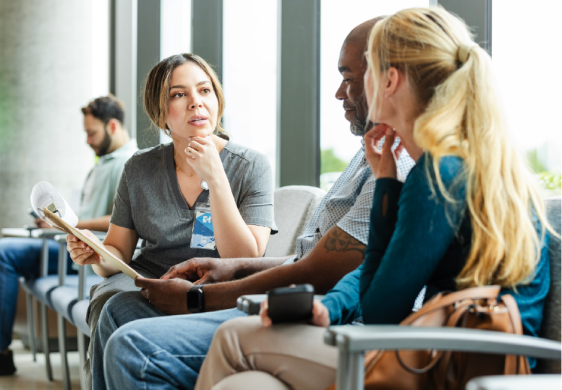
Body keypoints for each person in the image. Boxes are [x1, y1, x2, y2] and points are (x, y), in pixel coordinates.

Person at [194, 7, 553, 390]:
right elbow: (381, 270)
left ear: (389, 80)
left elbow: (383, 310)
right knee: (247, 385)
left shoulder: (438, 176)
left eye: (362, 74)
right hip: (447, 352)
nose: (347, 90)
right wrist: (328, 306)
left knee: (233, 337)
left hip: (453, 364)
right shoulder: (465, 161)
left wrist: (385, 188)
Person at [97, 18, 417, 390]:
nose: (337, 93)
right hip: (309, 304)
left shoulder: (400, 164)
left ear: (389, 80)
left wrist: (200, 298)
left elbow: (330, 272)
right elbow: (319, 262)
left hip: (334, 321)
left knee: (134, 347)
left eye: (348, 78)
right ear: (160, 110)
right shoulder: (373, 154)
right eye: (178, 94)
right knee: (116, 309)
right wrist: (231, 268)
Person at [64, 53, 277, 388]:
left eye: (205, 91)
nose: (196, 103)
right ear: (160, 111)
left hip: (218, 286)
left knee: (119, 311)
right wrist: (95, 256)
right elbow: (117, 252)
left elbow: (248, 258)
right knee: (111, 303)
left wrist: (216, 179)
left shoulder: (251, 166)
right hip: (148, 279)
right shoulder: (138, 168)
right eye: (179, 95)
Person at [0, 94, 138, 378]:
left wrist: (75, 222)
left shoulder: (129, 163)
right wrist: (59, 221)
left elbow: (122, 221)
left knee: (1, 253)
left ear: (113, 126)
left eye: (91, 133)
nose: (88, 140)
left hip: (95, 252)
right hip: (73, 241)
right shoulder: (103, 164)